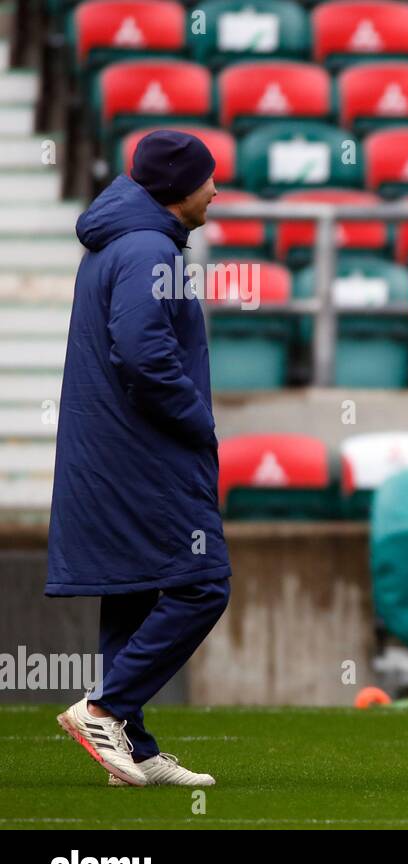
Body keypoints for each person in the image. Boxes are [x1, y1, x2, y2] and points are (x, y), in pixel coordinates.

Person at [49, 129, 230, 787]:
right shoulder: (148, 247)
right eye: (209, 178)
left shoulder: (128, 241)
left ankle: (136, 742)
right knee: (204, 581)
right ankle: (104, 709)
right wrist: (197, 420)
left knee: (133, 588)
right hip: (143, 455)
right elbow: (142, 351)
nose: (217, 188)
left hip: (116, 450)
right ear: (181, 189)